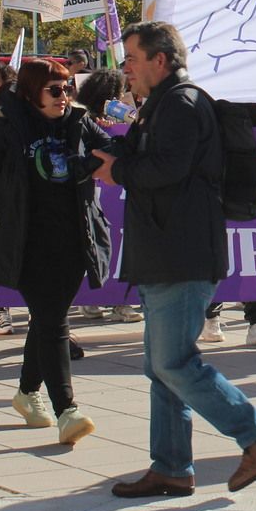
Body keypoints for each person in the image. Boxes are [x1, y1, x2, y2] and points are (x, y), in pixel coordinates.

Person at [93, 22, 256, 497]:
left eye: (133, 60)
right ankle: (172, 467)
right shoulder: (163, 105)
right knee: (161, 368)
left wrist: (116, 171)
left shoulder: (180, 103)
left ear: (160, 60)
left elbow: (167, 168)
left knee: (174, 364)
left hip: (181, 253)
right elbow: (152, 156)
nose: (127, 70)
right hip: (166, 250)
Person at [0, 59, 113, 445]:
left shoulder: (77, 121)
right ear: (30, 92)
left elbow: (112, 151)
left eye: (67, 89)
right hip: (25, 241)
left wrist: (98, 159)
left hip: (75, 239)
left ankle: (27, 394)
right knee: (53, 322)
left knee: (48, 317)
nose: (64, 97)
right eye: (54, 90)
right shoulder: (6, 128)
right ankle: (67, 412)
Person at [203, 102, 256, 346]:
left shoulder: (252, 106)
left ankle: (255, 322)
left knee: (246, 259)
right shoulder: (212, 106)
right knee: (228, 260)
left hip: (242, 194)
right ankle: (213, 318)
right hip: (223, 193)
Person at [73, 69, 142, 325]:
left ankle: (117, 302)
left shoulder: (120, 117)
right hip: (100, 193)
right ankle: (96, 299)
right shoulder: (85, 120)